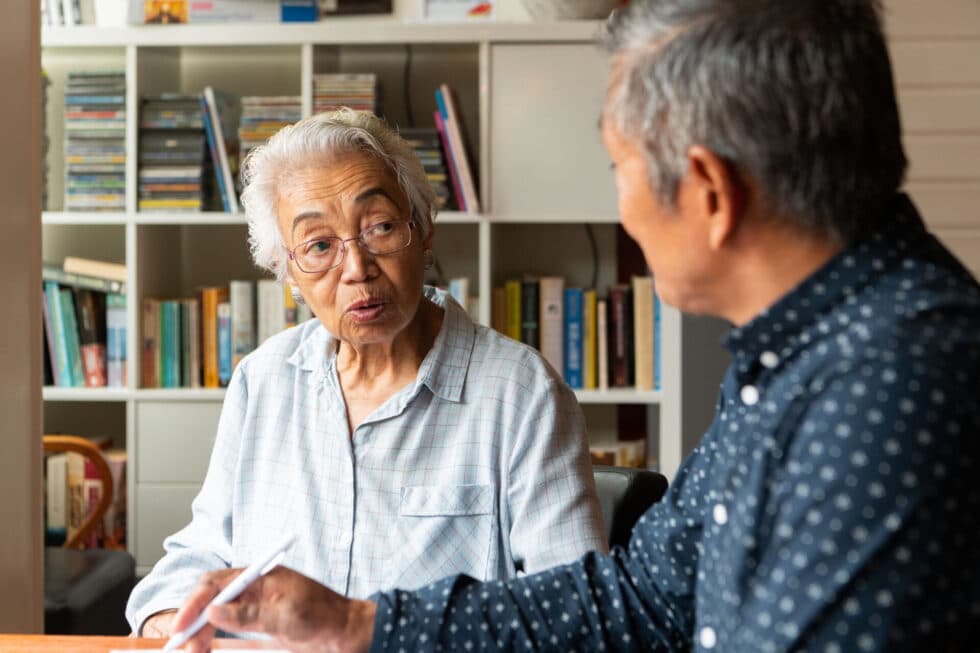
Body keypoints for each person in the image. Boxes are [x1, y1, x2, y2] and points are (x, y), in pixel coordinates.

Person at [168, 1, 980, 651]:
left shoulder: (893, 388)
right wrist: (356, 626)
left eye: (619, 169)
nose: (622, 211)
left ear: (708, 190)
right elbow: (646, 599)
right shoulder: (788, 358)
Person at [126, 108, 607, 637]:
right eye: (319, 246)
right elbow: (204, 549)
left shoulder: (522, 395)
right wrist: (173, 620)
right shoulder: (262, 380)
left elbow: (577, 618)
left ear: (423, 229)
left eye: (379, 227)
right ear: (287, 271)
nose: (357, 269)